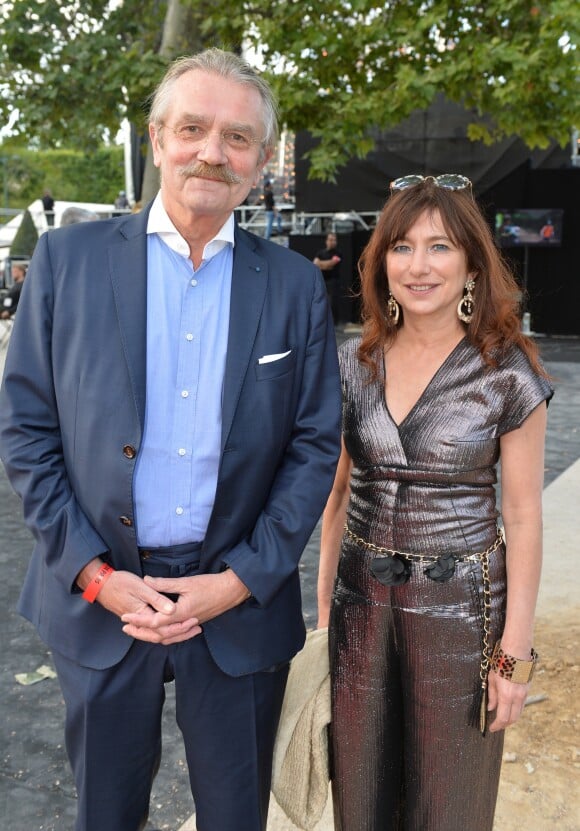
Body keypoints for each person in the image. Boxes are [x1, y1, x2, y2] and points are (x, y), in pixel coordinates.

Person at [0, 48, 341, 831]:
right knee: (106, 813)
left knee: (235, 816)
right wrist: (92, 573)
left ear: (259, 161)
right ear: (157, 138)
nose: (212, 152)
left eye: (238, 137)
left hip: (237, 604)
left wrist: (240, 578)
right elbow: (26, 428)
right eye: (193, 128)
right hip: (102, 597)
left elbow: (314, 445)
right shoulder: (65, 263)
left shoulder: (291, 285)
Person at [317, 173, 553, 831]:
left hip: (463, 617)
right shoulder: (352, 363)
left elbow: (525, 516)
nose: (418, 265)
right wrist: (322, 621)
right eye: (401, 247)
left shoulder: (507, 372)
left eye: (440, 247)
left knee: (447, 807)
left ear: (473, 265)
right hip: (359, 610)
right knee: (359, 801)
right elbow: (337, 498)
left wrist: (514, 656)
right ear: (381, 261)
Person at [313, 231, 342, 323]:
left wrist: (321, 264)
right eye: (330, 240)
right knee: (321, 302)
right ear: (326, 241)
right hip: (322, 281)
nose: (332, 242)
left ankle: (333, 324)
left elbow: (331, 265)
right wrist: (325, 264)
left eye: (334, 240)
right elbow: (315, 264)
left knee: (332, 303)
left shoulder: (338, 253)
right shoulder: (320, 252)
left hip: (333, 282)